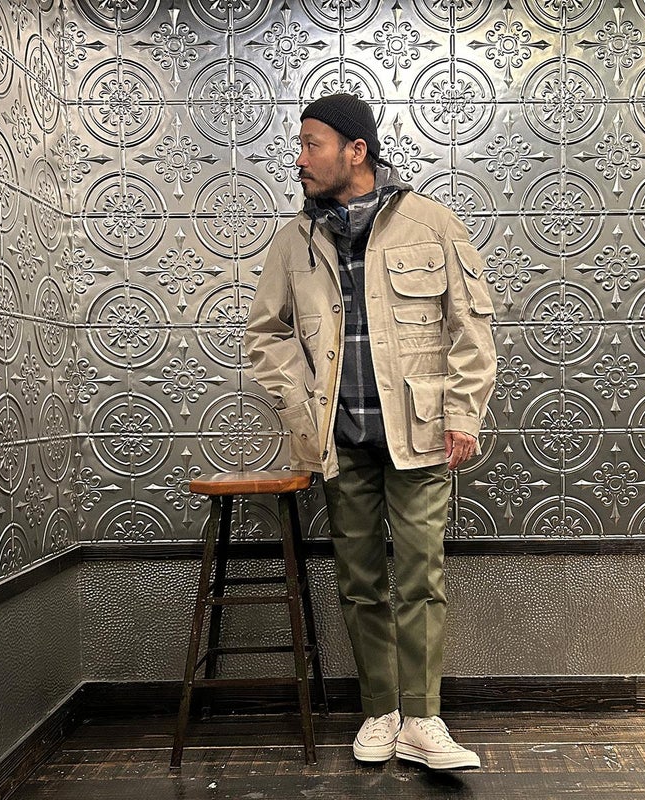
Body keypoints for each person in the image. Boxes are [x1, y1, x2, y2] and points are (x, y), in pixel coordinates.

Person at [244, 93, 496, 770]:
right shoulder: (294, 241)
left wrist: (462, 413)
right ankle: (381, 711)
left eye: (312, 144)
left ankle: (424, 719)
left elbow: (471, 330)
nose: (300, 159)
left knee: (421, 579)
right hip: (339, 442)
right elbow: (265, 336)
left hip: (420, 436)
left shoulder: (431, 223)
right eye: (300, 145)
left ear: (356, 150)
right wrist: (302, 411)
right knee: (360, 583)